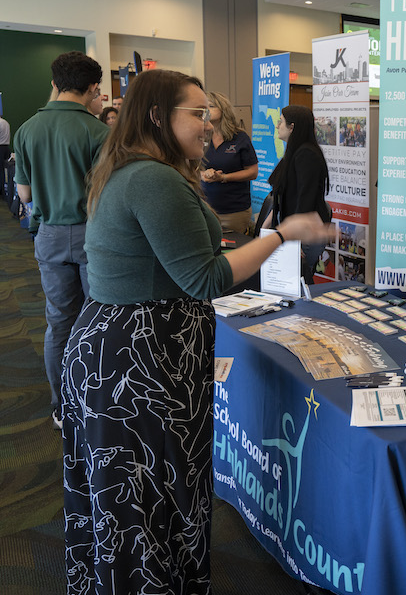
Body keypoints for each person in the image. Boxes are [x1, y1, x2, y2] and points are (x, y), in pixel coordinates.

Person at [60, 69, 330, 595]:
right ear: (159, 116)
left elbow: (185, 257)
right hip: (136, 367)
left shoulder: (140, 169)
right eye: (197, 113)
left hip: (133, 352)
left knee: (141, 499)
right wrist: (282, 234)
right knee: (145, 501)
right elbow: (205, 277)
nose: (209, 125)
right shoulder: (152, 179)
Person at [13, 51, 109, 429]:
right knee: (97, 320)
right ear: (93, 89)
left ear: (54, 83)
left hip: (49, 235)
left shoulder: (27, 129)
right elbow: (106, 196)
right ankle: (95, 400)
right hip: (92, 235)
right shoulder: (100, 132)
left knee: (58, 323)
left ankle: (61, 406)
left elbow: (23, 195)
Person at [267, 104, 333, 282]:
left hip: (304, 235)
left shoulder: (306, 154)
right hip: (295, 232)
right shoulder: (294, 152)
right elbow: (280, 195)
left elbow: (306, 199)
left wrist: (295, 240)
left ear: (292, 127)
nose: (277, 126)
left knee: (298, 283)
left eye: (281, 122)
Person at [200, 91, 259, 234]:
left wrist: (224, 178)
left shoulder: (239, 137)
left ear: (223, 110)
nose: (207, 110)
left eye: (212, 106)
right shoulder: (201, 136)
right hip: (205, 209)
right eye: (204, 107)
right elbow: (190, 167)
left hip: (233, 211)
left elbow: (253, 172)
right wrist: (202, 175)